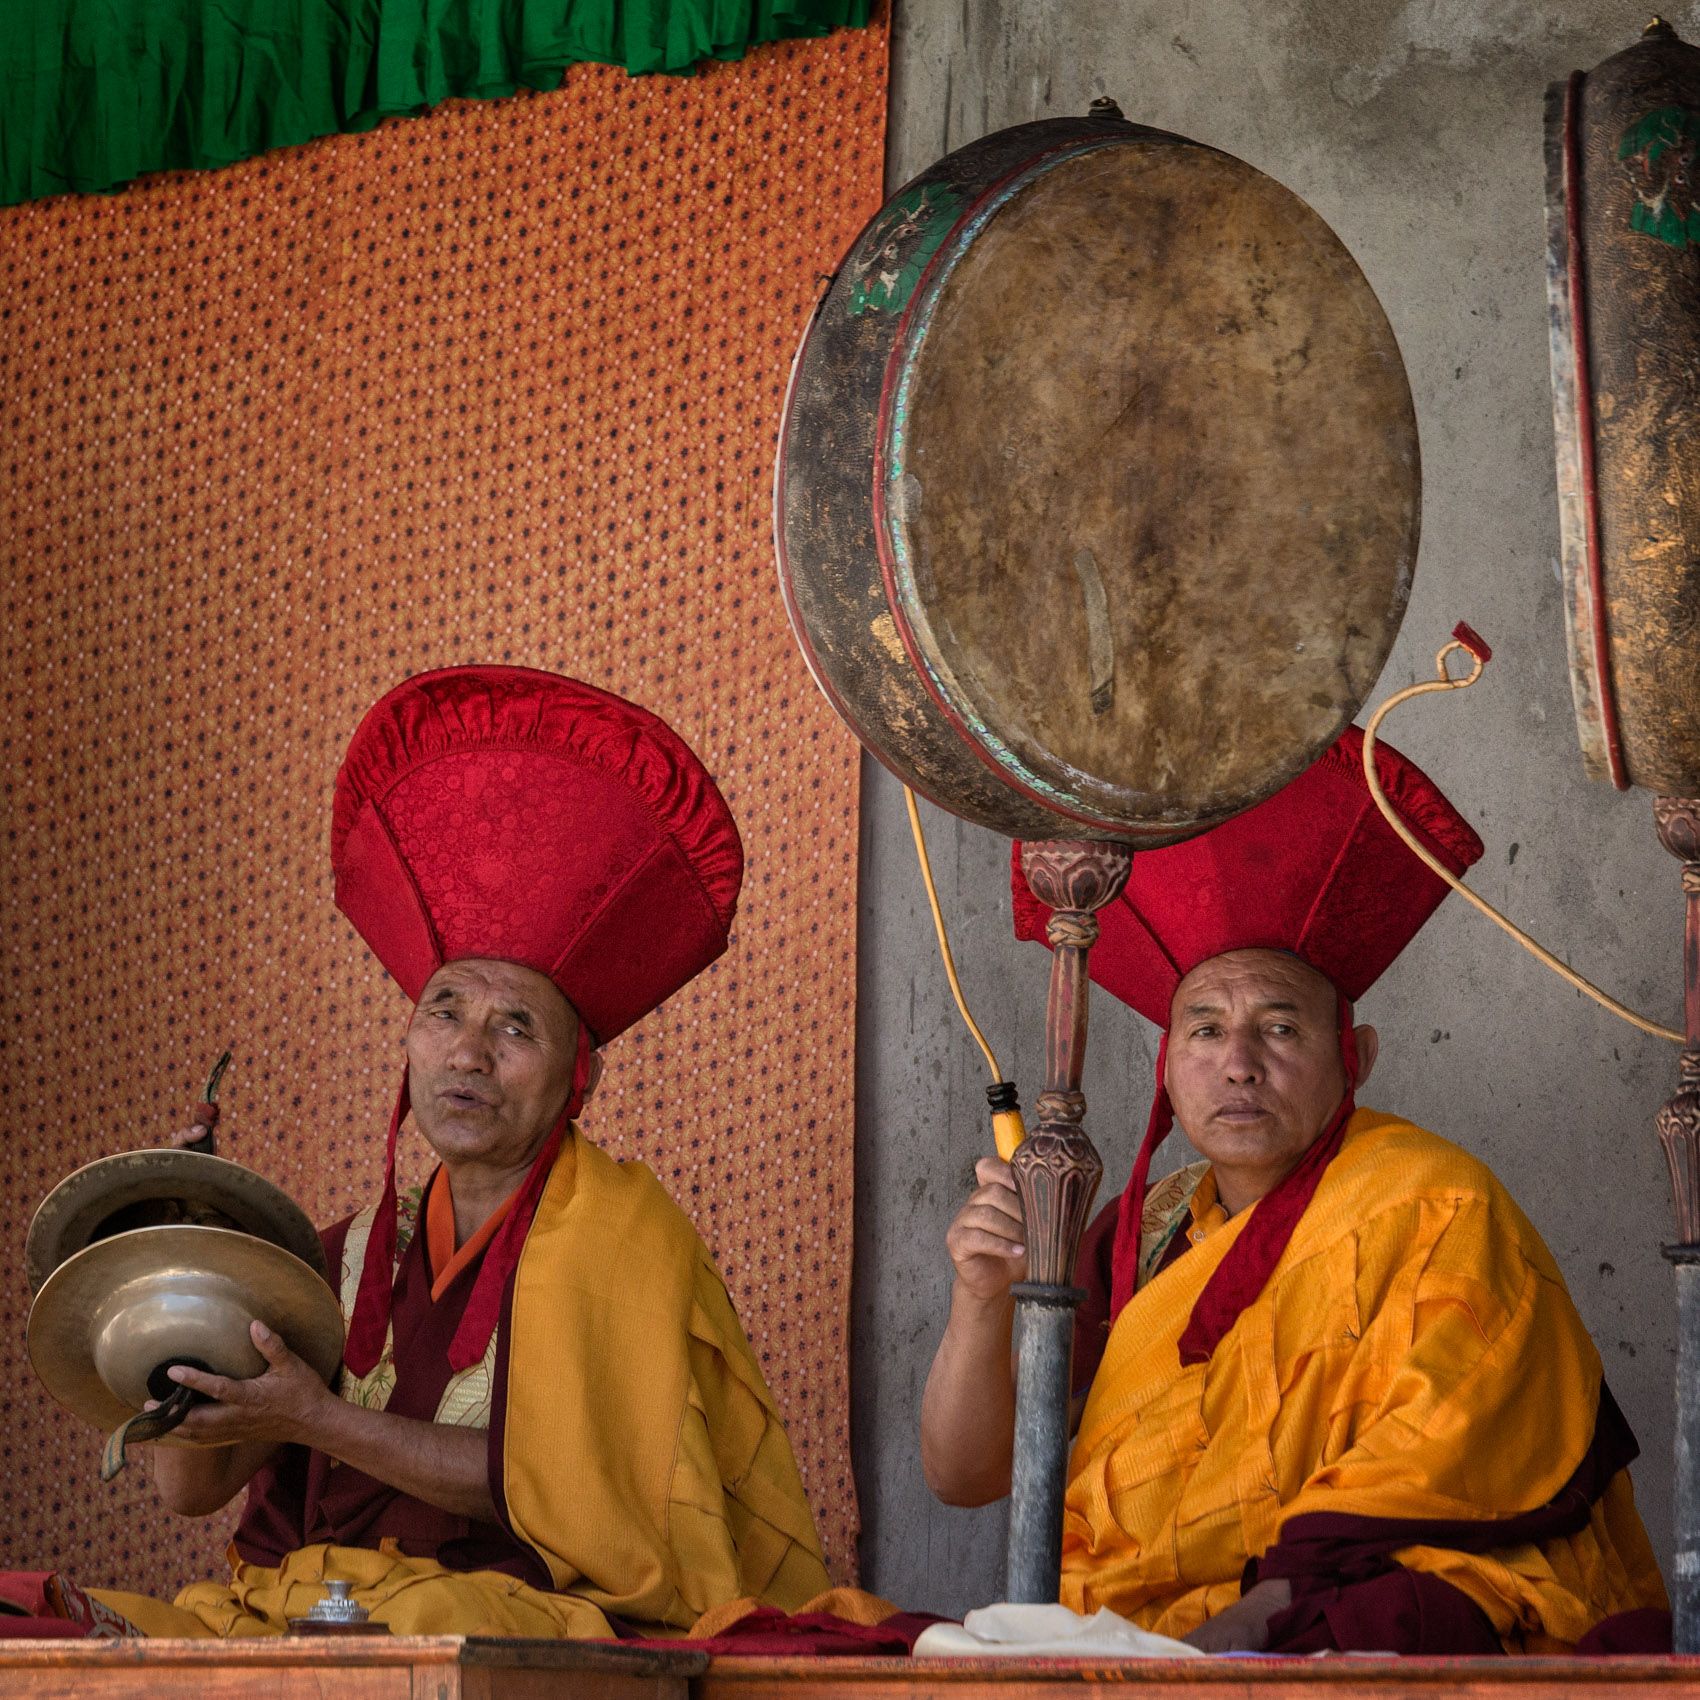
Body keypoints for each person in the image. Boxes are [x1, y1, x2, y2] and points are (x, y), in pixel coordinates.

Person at [67, 665, 830, 1638]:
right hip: (296, 1618)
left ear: (575, 1071)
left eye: (515, 1025)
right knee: (46, 1616)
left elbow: (580, 1493)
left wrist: (321, 1418)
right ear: (409, 1039)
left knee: (421, 1617)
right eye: (445, 1009)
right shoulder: (333, 1258)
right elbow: (192, 1487)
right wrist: (186, 1275)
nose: (468, 1051)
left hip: (513, 1624)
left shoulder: (618, 1236)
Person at [921, 728, 1669, 1655]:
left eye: (1279, 1028)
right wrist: (983, 1296)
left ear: (1354, 1058)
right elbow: (966, 1475)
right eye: (1203, 1030)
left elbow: (1436, 1456)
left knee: (1401, 1616)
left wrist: (1241, 1635)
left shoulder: (1433, 1205)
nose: (1238, 1065)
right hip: (1135, 1633)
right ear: (1167, 1065)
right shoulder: (1143, 1236)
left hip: (1309, 1613)